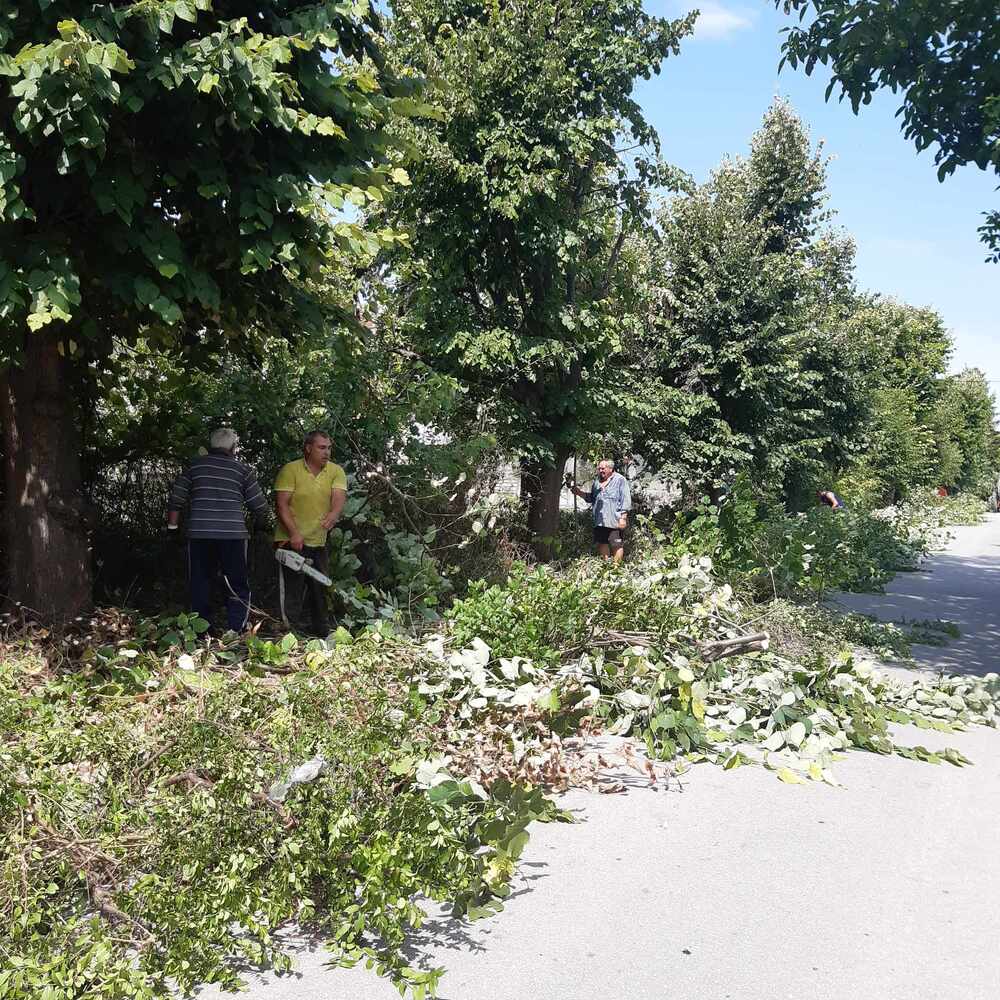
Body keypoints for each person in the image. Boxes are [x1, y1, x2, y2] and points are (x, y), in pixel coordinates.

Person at [166, 428, 268, 633]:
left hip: (200, 535)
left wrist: (172, 529)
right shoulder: (243, 470)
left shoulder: (194, 467)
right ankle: (235, 630)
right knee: (236, 582)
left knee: (200, 581)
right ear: (233, 448)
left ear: (211, 445)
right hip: (233, 537)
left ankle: (201, 630)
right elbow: (260, 507)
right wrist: (260, 526)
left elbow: (176, 500)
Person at [274, 430, 347, 635]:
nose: (327, 452)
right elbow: (281, 505)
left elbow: (339, 495)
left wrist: (333, 514)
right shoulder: (291, 470)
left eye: (329, 448)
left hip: (319, 540)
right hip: (290, 540)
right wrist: (294, 533)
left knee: (319, 586)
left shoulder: (335, 471)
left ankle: (321, 630)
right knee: (292, 588)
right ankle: (287, 631)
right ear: (308, 448)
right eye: (321, 447)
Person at [568, 459, 632, 563]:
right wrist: (579, 492)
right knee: (602, 543)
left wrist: (623, 518)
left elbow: (625, 500)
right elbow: (592, 498)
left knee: (616, 544)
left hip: (614, 521)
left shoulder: (620, 480)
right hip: (600, 521)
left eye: (603, 468)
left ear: (611, 469)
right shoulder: (597, 482)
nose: (600, 470)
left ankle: (616, 569)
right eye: (599, 468)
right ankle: (606, 566)